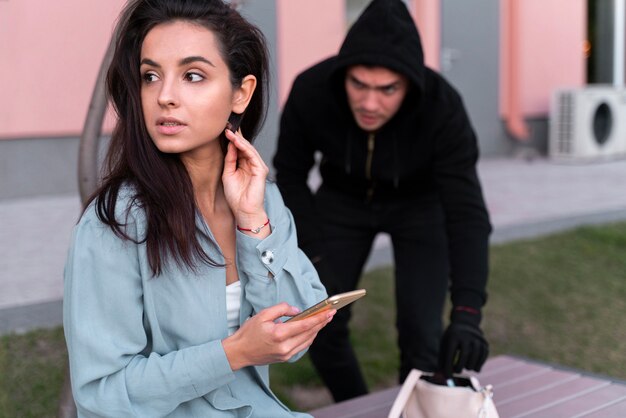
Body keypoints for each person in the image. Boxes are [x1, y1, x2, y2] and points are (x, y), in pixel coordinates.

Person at [63, 0, 333, 416]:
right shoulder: (116, 223)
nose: (164, 97)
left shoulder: (263, 199)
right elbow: (103, 392)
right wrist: (232, 354)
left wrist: (253, 225)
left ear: (240, 93)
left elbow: (292, 337)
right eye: (150, 76)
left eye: (192, 75)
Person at [273, 0, 492, 402]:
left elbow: (467, 212)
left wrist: (468, 311)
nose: (370, 103)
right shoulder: (312, 89)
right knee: (319, 320)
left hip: (419, 204)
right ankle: (355, 405)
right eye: (359, 84)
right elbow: (289, 174)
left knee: (421, 333)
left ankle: (412, 409)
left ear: (410, 82)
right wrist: (315, 254)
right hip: (342, 198)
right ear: (343, 74)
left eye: (387, 89)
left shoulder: (442, 106)